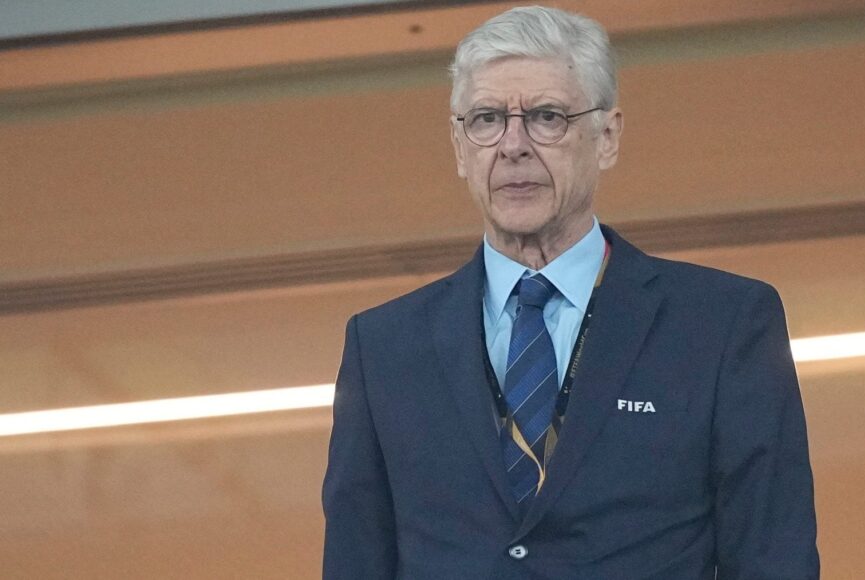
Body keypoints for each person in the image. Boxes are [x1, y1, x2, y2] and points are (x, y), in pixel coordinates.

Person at [322, 6, 818, 579]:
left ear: (607, 137)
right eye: (486, 119)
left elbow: (773, 558)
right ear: (460, 147)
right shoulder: (383, 347)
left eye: (546, 117)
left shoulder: (723, 325)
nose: (513, 145)